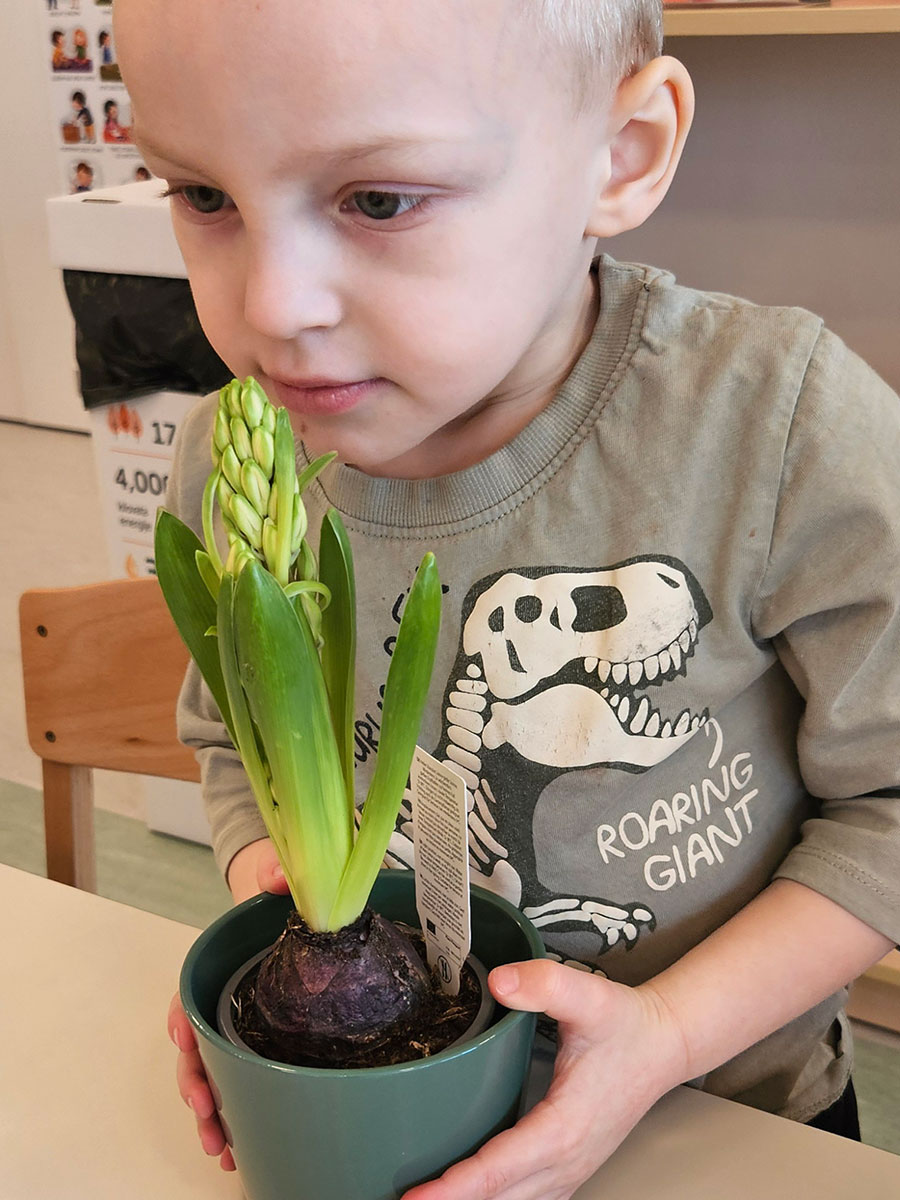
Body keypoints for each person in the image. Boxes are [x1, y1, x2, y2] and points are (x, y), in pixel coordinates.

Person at [114, 1, 900, 1196]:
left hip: (731, 1125)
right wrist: (285, 919)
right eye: (201, 194)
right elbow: (236, 738)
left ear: (622, 154)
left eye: (378, 199)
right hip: (383, 1138)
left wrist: (668, 1038)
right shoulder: (243, 457)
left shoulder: (781, 424)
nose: (271, 310)